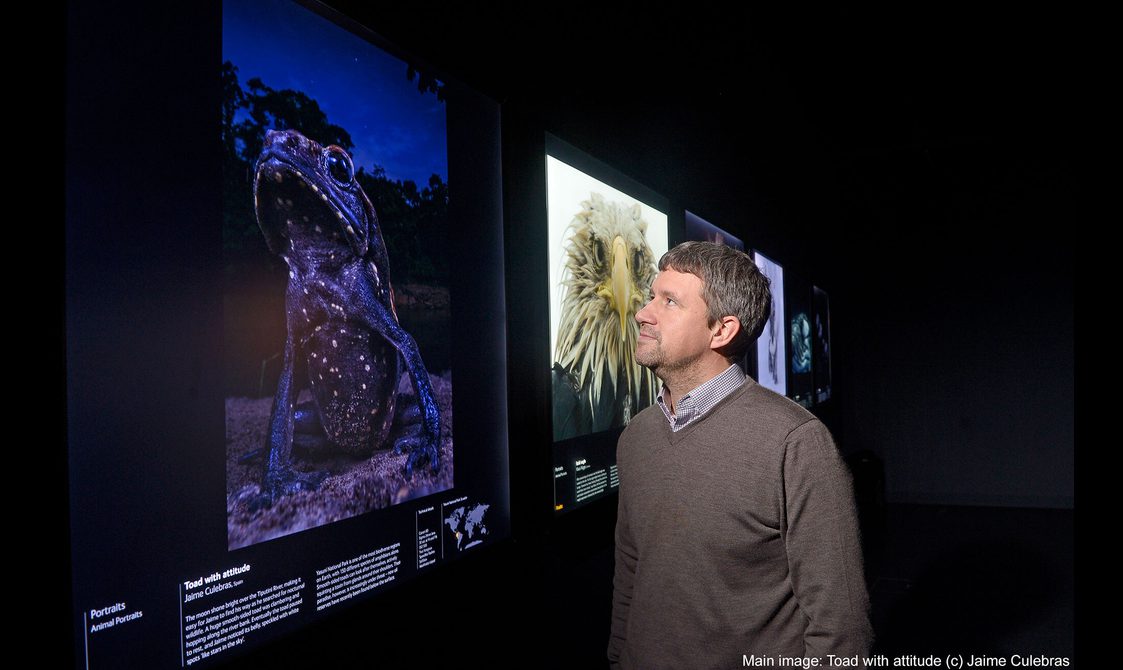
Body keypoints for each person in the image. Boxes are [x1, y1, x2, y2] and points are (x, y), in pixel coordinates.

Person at [608, 241, 872, 669]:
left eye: (669, 301)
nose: (643, 313)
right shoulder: (636, 438)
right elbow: (630, 575)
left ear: (722, 330)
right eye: (651, 297)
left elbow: (839, 627)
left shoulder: (795, 441)